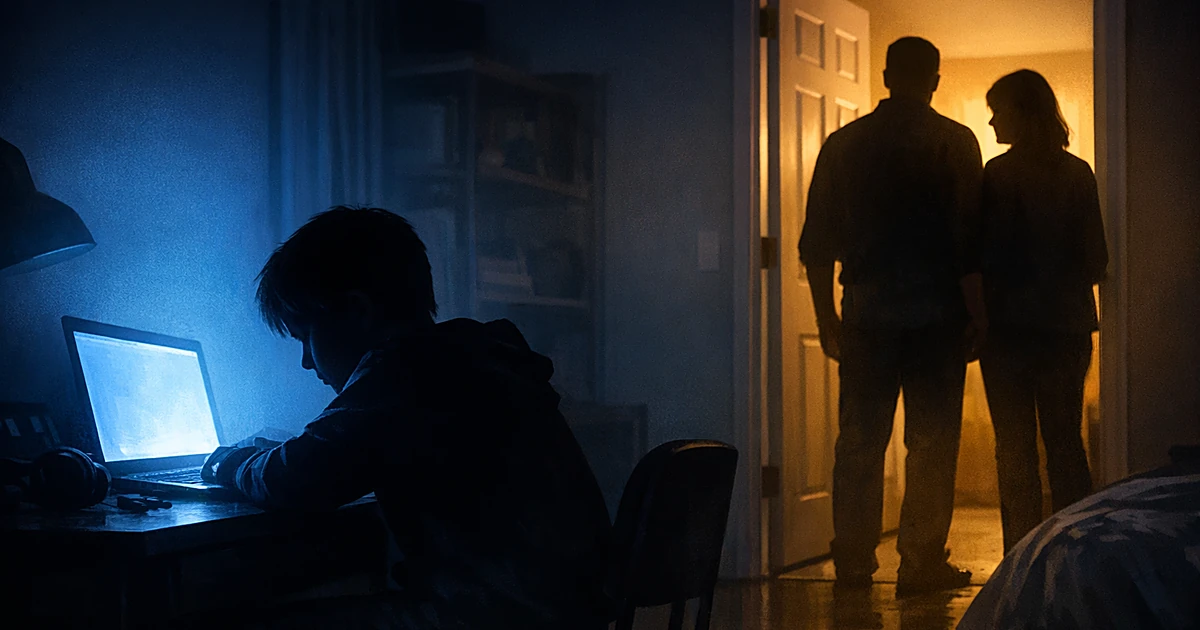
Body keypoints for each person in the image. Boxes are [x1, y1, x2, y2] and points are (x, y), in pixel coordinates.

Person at [199, 206, 614, 630]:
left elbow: (291, 479)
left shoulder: (404, 373)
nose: (307, 361)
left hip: (489, 616)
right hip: (560, 613)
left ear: (357, 312)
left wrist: (228, 462)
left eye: (307, 337)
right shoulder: (473, 358)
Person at [798, 36, 987, 597]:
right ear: (934, 80)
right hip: (938, 316)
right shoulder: (955, 142)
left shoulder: (844, 145)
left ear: (885, 76)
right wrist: (978, 315)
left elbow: (816, 245)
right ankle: (921, 561)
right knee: (932, 442)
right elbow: (971, 244)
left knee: (859, 441)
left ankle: (854, 562)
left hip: (868, 312)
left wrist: (827, 318)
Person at [978, 69, 1108, 553]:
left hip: (1007, 332)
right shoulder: (1077, 173)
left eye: (998, 111)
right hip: (1065, 328)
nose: (992, 121)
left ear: (1022, 112)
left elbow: (980, 255)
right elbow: (1097, 260)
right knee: (1065, 444)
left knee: (1014, 448)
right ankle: (1075, 550)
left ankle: (1020, 553)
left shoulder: (997, 174)